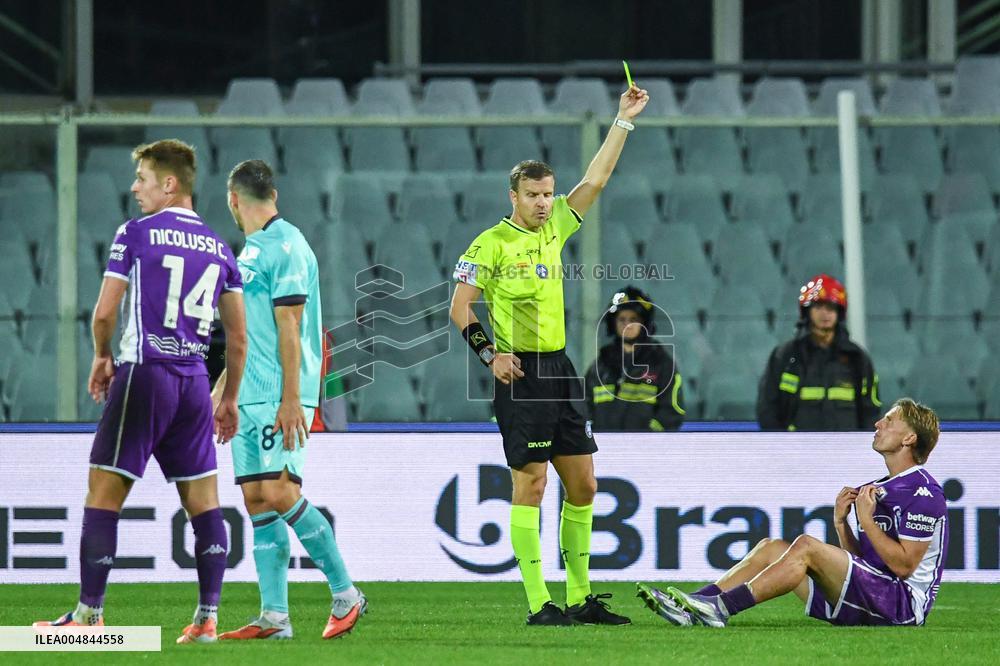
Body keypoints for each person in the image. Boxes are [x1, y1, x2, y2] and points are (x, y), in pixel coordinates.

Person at [449, 84, 649, 626]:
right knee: (532, 483)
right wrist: (490, 354)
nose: (544, 203)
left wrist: (623, 121)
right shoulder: (488, 245)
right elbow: (460, 307)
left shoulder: (557, 226)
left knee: (583, 483)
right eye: (534, 195)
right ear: (512, 196)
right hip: (520, 372)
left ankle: (581, 598)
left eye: (548, 194)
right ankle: (540, 602)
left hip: (559, 369)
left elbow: (598, 179)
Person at [33, 140, 248, 644]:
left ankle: (88, 616)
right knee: (204, 502)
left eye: (143, 179)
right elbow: (237, 338)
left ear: (169, 184)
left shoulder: (136, 234)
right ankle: (207, 618)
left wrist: (102, 355)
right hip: (195, 381)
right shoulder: (221, 248)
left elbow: (105, 312)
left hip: (145, 371)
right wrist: (229, 397)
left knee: (104, 493)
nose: (135, 188)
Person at [210, 160, 365, 641]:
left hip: (282, 396)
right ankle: (274, 617)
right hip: (250, 396)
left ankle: (346, 593)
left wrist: (294, 398)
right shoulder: (251, 249)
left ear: (233, 200)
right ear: (270, 193)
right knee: (257, 499)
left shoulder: (289, 245)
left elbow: (291, 326)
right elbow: (246, 334)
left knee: (280, 491)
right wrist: (222, 393)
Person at [638, 398, 947, 628]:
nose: (878, 424)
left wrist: (865, 519)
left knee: (806, 547)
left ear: (910, 438)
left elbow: (904, 566)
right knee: (771, 548)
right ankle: (694, 607)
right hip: (876, 594)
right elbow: (864, 563)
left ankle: (721, 608)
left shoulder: (923, 492)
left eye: (890, 420)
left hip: (902, 606)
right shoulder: (876, 488)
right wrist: (841, 524)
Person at [757, 274, 880, 431]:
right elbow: (767, 409)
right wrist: (782, 448)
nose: (825, 313)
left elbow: (871, 412)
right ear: (807, 311)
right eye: (818, 307)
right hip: (796, 451)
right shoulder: (786, 356)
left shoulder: (857, 358)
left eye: (831, 307)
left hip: (846, 451)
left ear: (839, 313)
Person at [585, 286, 684, 432]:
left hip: (645, 451)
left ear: (645, 323)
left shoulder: (661, 363)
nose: (627, 325)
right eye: (621, 319)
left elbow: (672, 413)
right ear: (613, 323)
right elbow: (583, 408)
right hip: (604, 450)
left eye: (633, 319)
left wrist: (645, 441)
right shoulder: (600, 365)